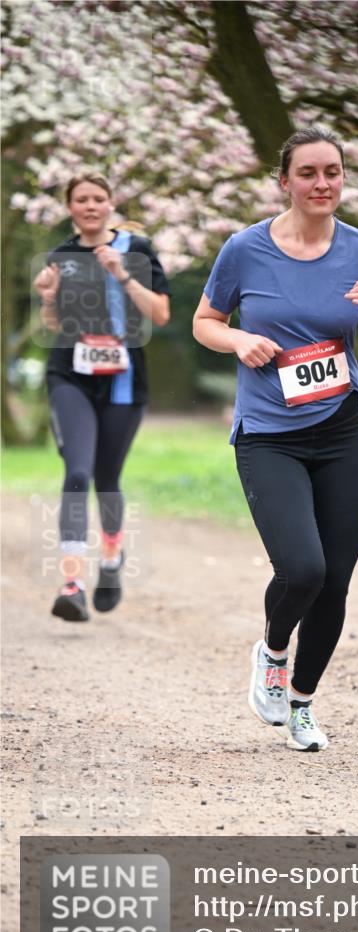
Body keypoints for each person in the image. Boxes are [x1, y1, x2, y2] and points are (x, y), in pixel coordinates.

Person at [193, 126, 358, 751]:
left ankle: (302, 704)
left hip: (341, 431)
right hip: (268, 435)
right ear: (284, 181)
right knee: (303, 568)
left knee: (336, 579)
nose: (323, 183)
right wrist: (238, 339)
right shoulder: (245, 249)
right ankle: (272, 652)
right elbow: (206, 321)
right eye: (309, 173)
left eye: (333, 172)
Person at [33, 173, 171, 622]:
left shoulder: (137, 249)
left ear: (111, 204)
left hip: (123, 379)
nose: (90, 206)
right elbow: (55, 324)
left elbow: (161, 313)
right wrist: (48, 298)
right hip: (69, 374)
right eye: (81, 199)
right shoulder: (61, 255)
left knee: (107, 478)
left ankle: (111, 558)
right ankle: (71, 582)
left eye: (98, 198)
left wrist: (122, 274)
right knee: (77, 471)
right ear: (70, 207)